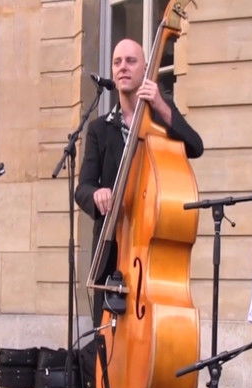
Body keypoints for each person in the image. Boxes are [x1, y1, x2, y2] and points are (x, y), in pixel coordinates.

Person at [75, 38, 204, 324]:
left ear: (145, 69)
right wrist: (97, 195)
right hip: (112, 250)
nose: (123, 67)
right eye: (117, 62)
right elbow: (82, 187)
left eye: (131, 61)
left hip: (151, 255)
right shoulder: (99, 128)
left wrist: (160, 103)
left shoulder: (160, 121)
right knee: (105, 339)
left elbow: (195, 145)